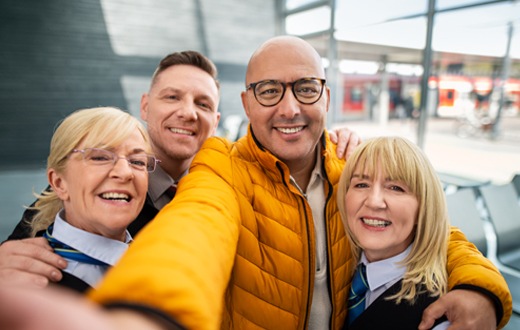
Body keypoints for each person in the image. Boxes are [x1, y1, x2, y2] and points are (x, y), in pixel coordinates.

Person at [83, 36, 510, 330]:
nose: (290, 109)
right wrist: (142, 310)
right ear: (247, 103)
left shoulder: (352, 167)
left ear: (326, 97)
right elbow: (192, 229)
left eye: (305, 88)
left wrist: (479, 285)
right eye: (269, 91)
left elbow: (430, 227)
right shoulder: (222, 168)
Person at [0, 50, 361, 288]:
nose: (188, 112)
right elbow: (20, 252)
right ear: (145, 105)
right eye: (172, 97)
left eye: (203, 104)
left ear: (216, 119)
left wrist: (331, 142)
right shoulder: (91, 190)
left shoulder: (227, 180)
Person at [25, 107, 156, 293]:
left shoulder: (159, 258)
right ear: (59, 183)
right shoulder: (24, 289)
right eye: (100, 157)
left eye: (137, 162)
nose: (125, 172)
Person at [337, 136, 450, 329]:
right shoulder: (339, 265)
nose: (373, 201)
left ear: (424, 207)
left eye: (396, 188)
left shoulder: (440, 314)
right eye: (361, 185)